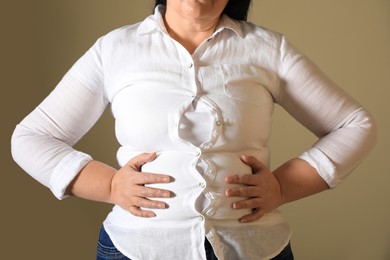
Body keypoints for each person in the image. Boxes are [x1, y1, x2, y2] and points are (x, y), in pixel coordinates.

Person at [11, 0, 376, 259]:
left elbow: (355, 125)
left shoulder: (269, 49)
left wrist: (281, 187)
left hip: (255, 250)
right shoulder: (114, 50)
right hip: (135, 249)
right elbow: (31, 138)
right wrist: (108, 186)